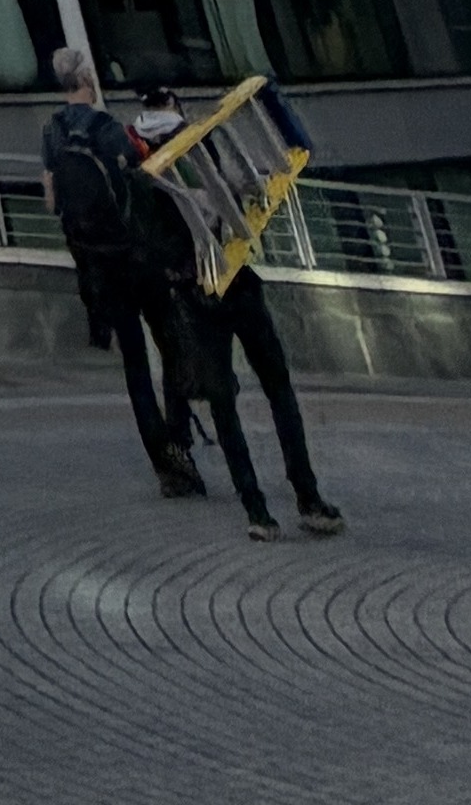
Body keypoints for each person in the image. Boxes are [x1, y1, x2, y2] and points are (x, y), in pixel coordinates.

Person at [127, 79, 342, 537]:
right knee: (277, 386)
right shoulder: (201, 136)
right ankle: (307, 497)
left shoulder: (137, 155)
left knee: (223, 403)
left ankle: (256, 511)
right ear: (173, 100)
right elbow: (245, 186)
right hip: (234, 277)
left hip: (189, 290)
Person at [42, 47, 205, 499]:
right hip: (135, 257)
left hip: (98, 263)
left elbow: (52, 202)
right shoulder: (110, 130)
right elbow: (142, 185)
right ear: (89, 79)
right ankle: (180, 436)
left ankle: (164, 463)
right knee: (171, 342)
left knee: (134, 363)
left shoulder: (52, 131)